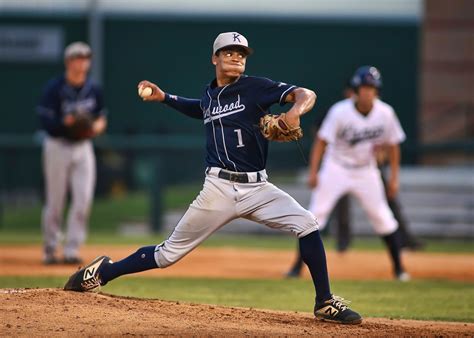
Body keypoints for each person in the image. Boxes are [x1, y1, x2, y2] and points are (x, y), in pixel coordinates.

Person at [64, 32, 362, 325]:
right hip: (218, 189)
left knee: (307, 223)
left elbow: (306, 93)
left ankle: (324, 303)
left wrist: (295, 111)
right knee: (168, 254)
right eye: (229, 52)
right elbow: (200, 108)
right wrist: (165, 98)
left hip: (259, 188)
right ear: (214, 58)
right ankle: (103, 272)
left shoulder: (256, 88)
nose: (236, 57)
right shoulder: (209, 94)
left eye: (241, 53)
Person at [287, 66, 410, 281]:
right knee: (314, 216)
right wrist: (314, 172)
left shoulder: (385, 113)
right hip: (336, 168)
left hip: (366, 171)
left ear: (377, 91)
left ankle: (399, 269)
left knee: (383, 218)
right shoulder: (339, 111)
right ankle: (296, 268)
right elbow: (321, 142)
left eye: (372, 88)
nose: (367, 92)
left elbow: (393, 145)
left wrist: (394, 178)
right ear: (355, 89)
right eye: (364, 87)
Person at [37, 42, 107, 265]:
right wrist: (66, 123)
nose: (81, 61)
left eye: (85, 57)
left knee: (83, 199)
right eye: (77, 57)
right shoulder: (54, 88)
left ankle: (72, 249)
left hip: (83, 147)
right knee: (55, 199)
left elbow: (100, 118)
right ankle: (50, 248)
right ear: (68, 62)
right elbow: (46, 121)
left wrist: (95, 127)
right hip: (58, 145)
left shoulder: (94, 89)